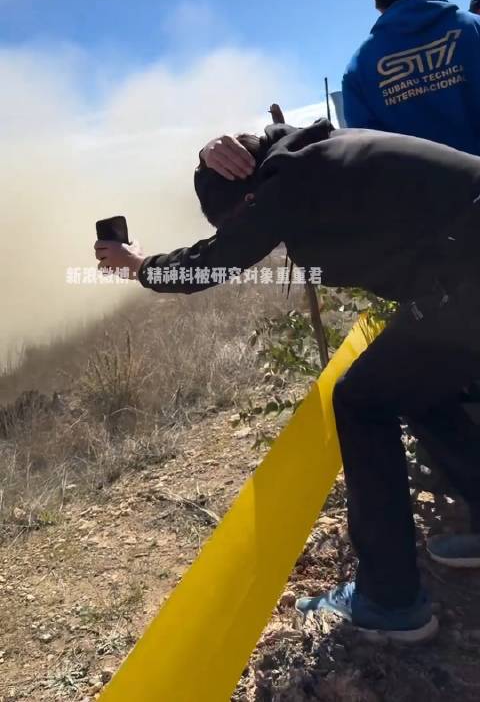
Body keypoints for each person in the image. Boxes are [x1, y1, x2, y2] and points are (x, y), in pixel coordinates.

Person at [95, 120, 480, 642]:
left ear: (249, 194)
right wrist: (213, 144)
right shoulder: (319, 147)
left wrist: (137, 264)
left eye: (237, 217)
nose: (247, 227)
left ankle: (390, 600)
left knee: (362, 400)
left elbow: (210, 263)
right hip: (464, 276)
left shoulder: (291, 179)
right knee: (414, 385)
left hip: (467, 282)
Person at [342, 0, 480, 154]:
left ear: (380, 6)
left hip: (419, 185)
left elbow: (367, 156)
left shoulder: (359, 69)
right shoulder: (475, 29)